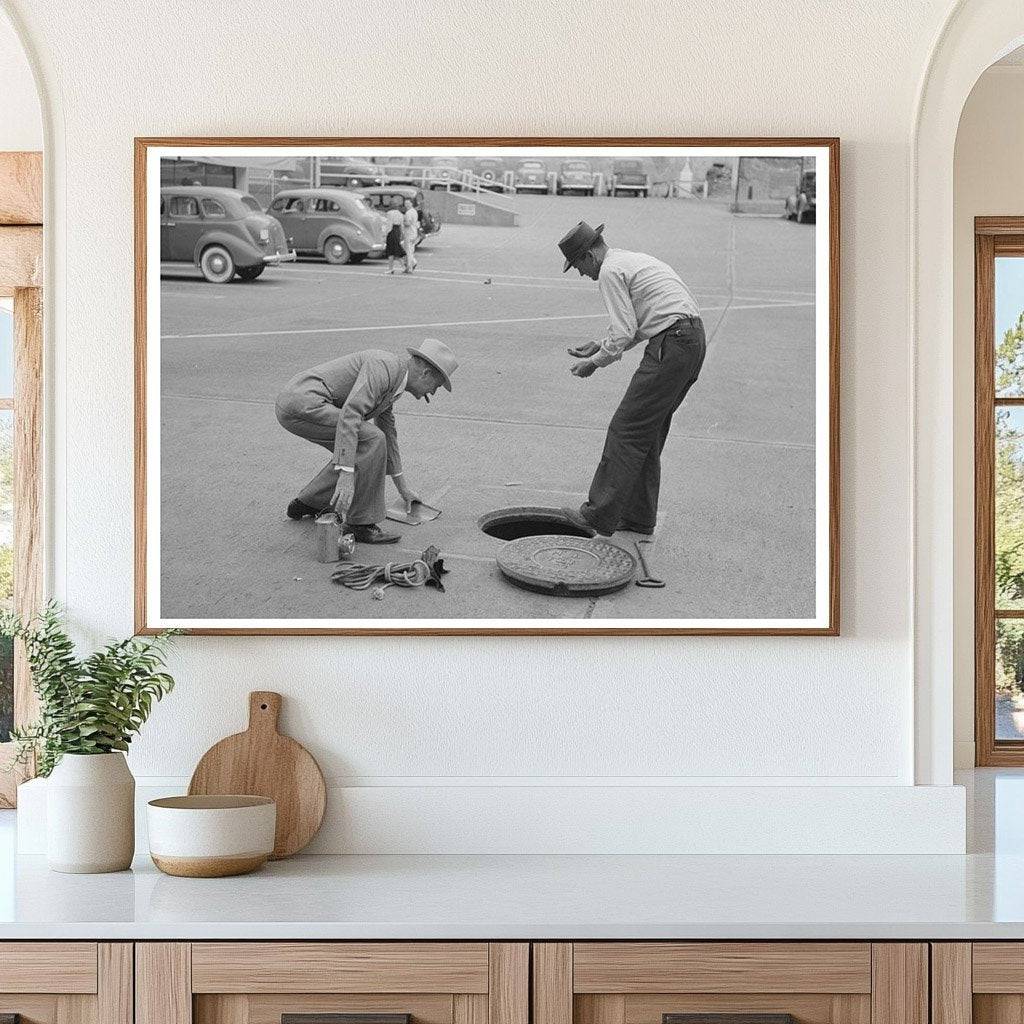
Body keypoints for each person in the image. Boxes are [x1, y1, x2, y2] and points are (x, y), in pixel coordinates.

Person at [557, 221, 706, 537]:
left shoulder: (609, 272)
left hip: (672, 344)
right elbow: (643, 322)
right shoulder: (628, 259)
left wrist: (595, 363)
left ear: (588, 257)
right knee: (646, 432)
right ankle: (638, 516)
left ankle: (596, 515)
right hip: (690, 341)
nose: (583, 275)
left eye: (579, 267)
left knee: (625, 429)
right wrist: (601, 344)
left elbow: (624, 330)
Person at [276, 339, 458, 544]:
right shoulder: (384, 367)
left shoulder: (394, 379)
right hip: (303, 403)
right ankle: (360, 524)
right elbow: (351, 414)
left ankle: (309, 502)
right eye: (436, 385)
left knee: (368, 442)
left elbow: (389, 433)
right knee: (371, 439)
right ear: (425, 373)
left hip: (300, 405)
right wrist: (346, 472)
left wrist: (402, 488)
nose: (433, 393)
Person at [384, 196, 405, 274]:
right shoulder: (400, 214)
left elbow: (389, 225)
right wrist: (402, 234)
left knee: (390, 251)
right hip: (397, 231)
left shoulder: (389, 213)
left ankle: (391, 268)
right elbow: (402, 225)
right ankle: (403, 266)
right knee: (397, 250)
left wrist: (386, 234)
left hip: (392, 232)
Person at [401, 197, 419, 273]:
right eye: (405, 203)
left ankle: (410, 267)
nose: (406, 205)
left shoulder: (408, 213)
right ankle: (412, 263)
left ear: (412, 203)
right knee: (411, 250)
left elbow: (408, 223)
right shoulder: (415, 211)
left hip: (409, 233)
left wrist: (402, 222)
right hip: (414, 233)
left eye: (408, 203)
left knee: (408, 251)